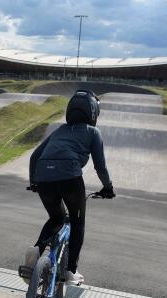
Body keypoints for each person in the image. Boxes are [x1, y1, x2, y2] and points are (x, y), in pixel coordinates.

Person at [26, 90, 115, 285]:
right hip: (70, 177)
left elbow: (34, 156)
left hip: (43, 177)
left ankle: (37, 251)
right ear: (93, 113)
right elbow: (100, 166)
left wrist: (34, 182)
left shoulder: (60, 130)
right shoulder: (93, 132)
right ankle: (70, 271)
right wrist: (108, 187)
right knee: (77, 222)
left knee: (56, 218)